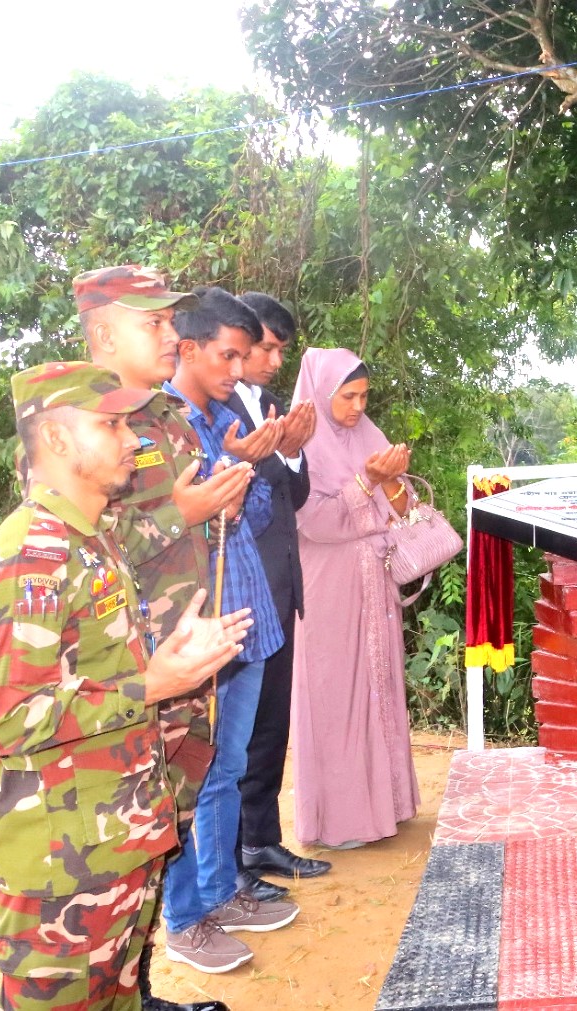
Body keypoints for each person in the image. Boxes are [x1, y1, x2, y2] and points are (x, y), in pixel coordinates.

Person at [0, 361, 249, 1011]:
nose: (133, 439)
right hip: (63, 870)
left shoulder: (94, 538)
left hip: (120, 839)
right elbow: (3, 718)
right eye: (113, 424)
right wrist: (149, 684)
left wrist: (168, 662)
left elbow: (99, 669)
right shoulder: (29, 554)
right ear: (57, 439)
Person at [72, 264, 251, 1011]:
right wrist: (184, 511)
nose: (172, 334)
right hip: (129, 671)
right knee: (119, 843)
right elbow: (84, 545)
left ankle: (139, 989)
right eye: (154, 323)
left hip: (183, 655)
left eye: (171, 320)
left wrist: (218, 507)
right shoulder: (76, 419)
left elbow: (180, 515)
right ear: (105, 331)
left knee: (164, 828)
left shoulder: (167, 417)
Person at [161, 288, 297, 974]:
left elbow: (254, 509)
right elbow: (168, 528)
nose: (239, 368)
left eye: (246, 356)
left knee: (229, 765)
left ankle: (222, 890)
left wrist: (249, 466)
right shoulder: (167, 424)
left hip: (245, 611)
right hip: (202, 624)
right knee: (199, 771)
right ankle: (187, 914)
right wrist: (221, 482)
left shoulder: (215, 417)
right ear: (186, 348)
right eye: (229, 355)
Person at [290, 348, 421, 846]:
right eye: (348, 396)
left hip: (374, 582)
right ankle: (339, 822)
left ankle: (388, 806)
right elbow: (314, 522)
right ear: (323, 394)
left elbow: (403, 508)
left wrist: (389, 478)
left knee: (379, 685)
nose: (358, 407)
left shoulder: (370, 436)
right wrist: (368, 480)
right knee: (335, 694)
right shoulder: (301, 441)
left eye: (364, 396)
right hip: (327, 588)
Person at [230, 292, 331, 898]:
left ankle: (260, 838)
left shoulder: (270, 406)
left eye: (279, 350)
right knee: (234, 733)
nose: (272, 360)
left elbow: (293, 500)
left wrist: (291, 450)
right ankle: (232, 860)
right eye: (265, 346)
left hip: (280, 589)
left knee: (270, 725)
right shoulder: (208, 411)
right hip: (240, 593)